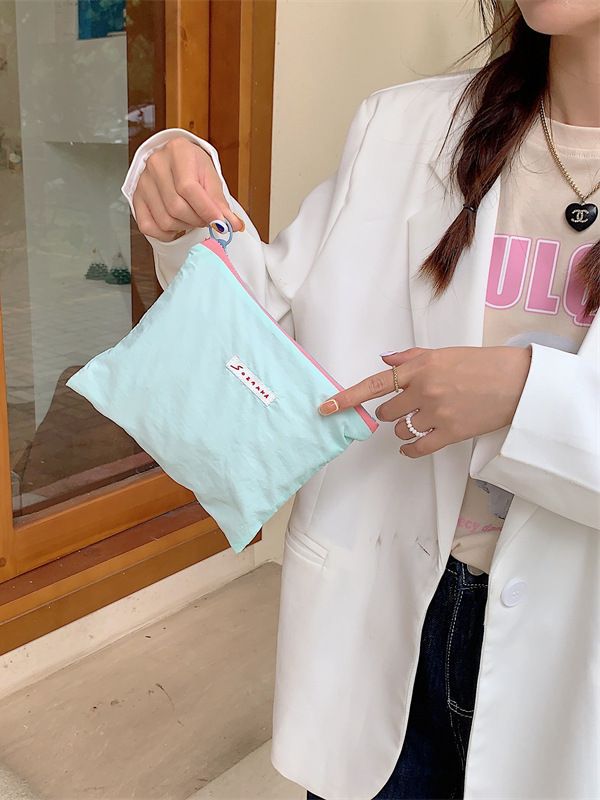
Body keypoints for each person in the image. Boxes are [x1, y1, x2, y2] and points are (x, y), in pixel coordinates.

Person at [122, 1, 600, 797]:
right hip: (385, 623)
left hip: (576, 663)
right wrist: (184, 206)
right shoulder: (403, 129)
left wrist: (526, 397)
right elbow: (269, 338)